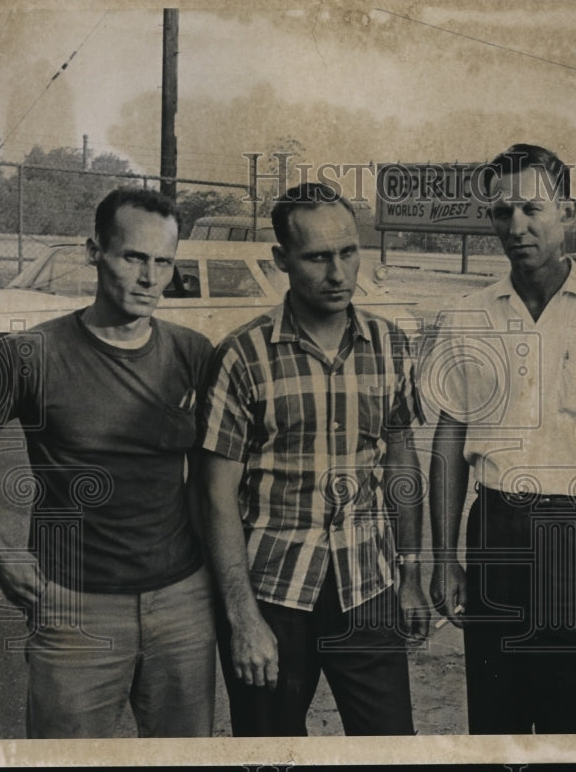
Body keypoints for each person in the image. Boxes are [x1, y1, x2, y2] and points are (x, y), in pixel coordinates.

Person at [423, 144, 576, 734]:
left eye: (533, 208)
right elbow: (448, 442)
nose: (516, 226)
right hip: (498, 532)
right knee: (498, 723)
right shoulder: (468, 318)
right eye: (502, 212)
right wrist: (445, 559)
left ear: (567, 212)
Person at [0, 187, 216, 738]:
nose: (150, 278)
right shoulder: (29, 355)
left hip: (182, 604)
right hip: (73, 608)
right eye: (133, 257)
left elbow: (215, 480)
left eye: (164, 262)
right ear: (94, 252)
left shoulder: (192, 353)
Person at [200, 182, 428, 737]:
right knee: (271, 750)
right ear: (281, 259)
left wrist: (411, 575)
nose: (338, 273)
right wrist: (243, 618)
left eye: (349, 252)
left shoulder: (392, 346)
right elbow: (215, 495)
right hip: (273, 593)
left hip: (368, 586)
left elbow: (401, 462)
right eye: (318, 257)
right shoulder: (242, 357)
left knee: (391, 747)